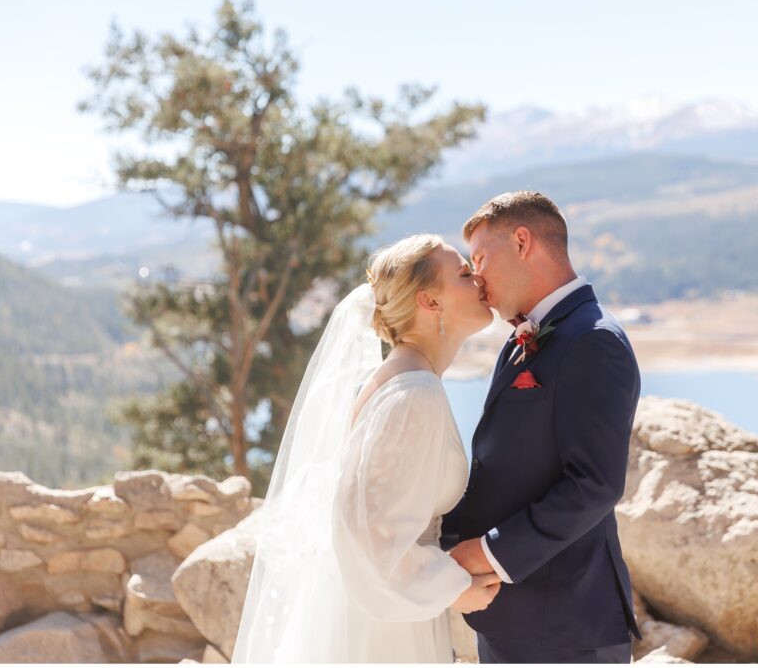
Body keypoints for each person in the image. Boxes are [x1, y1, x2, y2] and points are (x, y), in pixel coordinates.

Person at [231, 233, 502, 663]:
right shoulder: (413, 393)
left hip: (388, 606)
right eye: (465, 273)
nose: (480, 280)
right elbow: (366, 534)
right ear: (429, 302)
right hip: (386, 630)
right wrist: (454, 588)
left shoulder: (399, 378)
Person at [441, 190, 645, 663]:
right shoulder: (520, 339)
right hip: (510, 616)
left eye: (480, 258)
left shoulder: (594, 341)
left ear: (522, 241)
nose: (476, 277)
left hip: (566, 627)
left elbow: (594, 485)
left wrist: (488, 554)